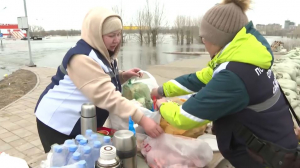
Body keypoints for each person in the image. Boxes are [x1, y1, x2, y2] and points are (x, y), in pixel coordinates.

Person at [151, 0, 298, 167]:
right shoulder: (244, 59)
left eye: (204, 37)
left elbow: (184, 118)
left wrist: (162, 105)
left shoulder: (234, 76)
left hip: (267, 159)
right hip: (275, 146)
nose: (203, 41)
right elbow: (198, 79)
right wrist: (161, 90)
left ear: (216, 38)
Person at [35, 7, 163, 153]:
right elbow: (107, 96)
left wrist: (122, 76)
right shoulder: (81, 58)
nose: (116, 40)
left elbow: (100, 78)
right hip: (58, 123)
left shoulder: (103, 53)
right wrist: (143, 119)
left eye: (119, 34)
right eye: (111, 35)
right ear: (96, 34)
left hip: (82, 120)